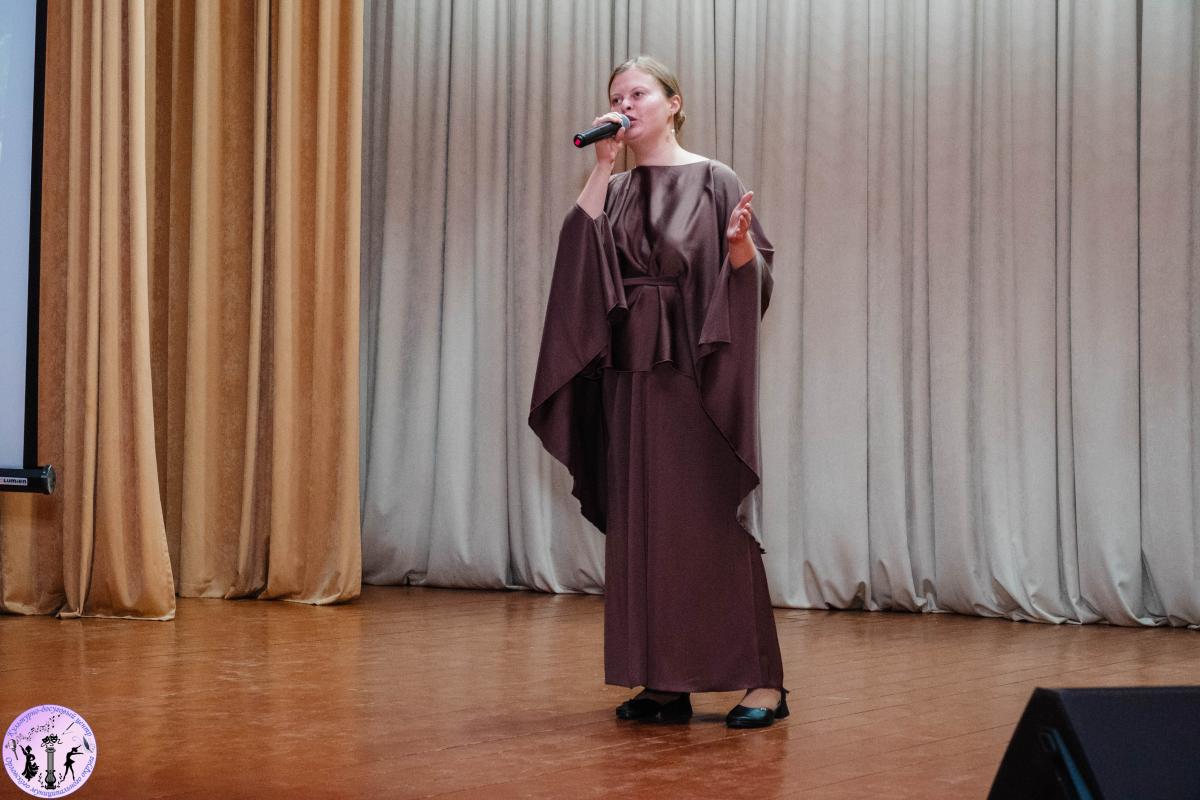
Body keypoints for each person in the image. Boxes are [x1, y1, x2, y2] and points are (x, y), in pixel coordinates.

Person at [529, 56, 786, 728]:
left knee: (707, 525)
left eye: (637, 93)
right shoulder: (612, 189)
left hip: (694, 377)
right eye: (616, 97)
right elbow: (577, 260)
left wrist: (738, 249)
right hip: (628, 379)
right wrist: (601, 165)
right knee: (644, 528)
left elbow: (754, 279)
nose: (625, 105)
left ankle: (762, 682)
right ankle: (665, 680)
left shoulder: (714, 178)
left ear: (673, 102)